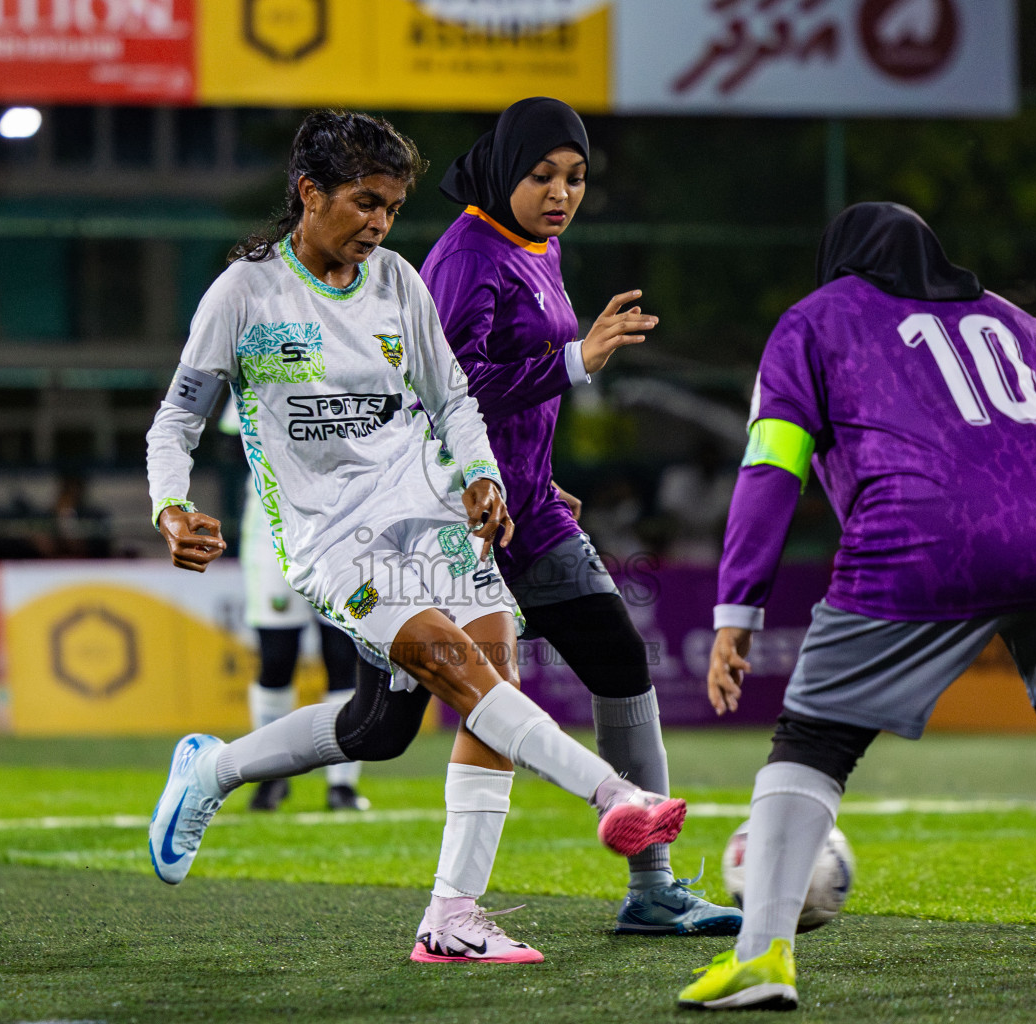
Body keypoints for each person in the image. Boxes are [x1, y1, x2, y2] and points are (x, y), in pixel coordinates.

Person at [677, 203, 1036, 1011]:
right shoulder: (1014, 322)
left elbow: (773, 467)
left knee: (813, 737)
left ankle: (762, 956)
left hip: (924, 536)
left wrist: (736, 609)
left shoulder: (813, 321)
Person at [143, 110, 687, 963]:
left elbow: (455, 397)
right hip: (333, 541)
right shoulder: (245, 293)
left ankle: (450, 916)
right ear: (309, 192)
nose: (378, 224)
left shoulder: (398, 280)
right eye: (364, 202)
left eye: (392, 207)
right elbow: (175, 420)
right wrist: (170, 507)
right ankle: (612, 795)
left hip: (430, 510)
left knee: (413, 712)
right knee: (461, 675)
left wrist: (481, 476)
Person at [420, 96, 740, 939]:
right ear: (504, 170)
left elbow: (515, 393)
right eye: (542, 176)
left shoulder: (539, 247)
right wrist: (576, 359)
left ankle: (653, 888)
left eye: (575, 178)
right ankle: (224, 768)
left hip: (530, 508)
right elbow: (447, 394)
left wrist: (540, 472)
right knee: (380, 728)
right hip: (458, 518)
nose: (561, 193)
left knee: (621, 662)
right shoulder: (464, 256)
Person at [237, 481, 368, 811]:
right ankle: (271, 774)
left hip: (344, 527)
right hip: (273, 529)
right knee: (277, 658)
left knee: (342, 655)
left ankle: (342, 783)